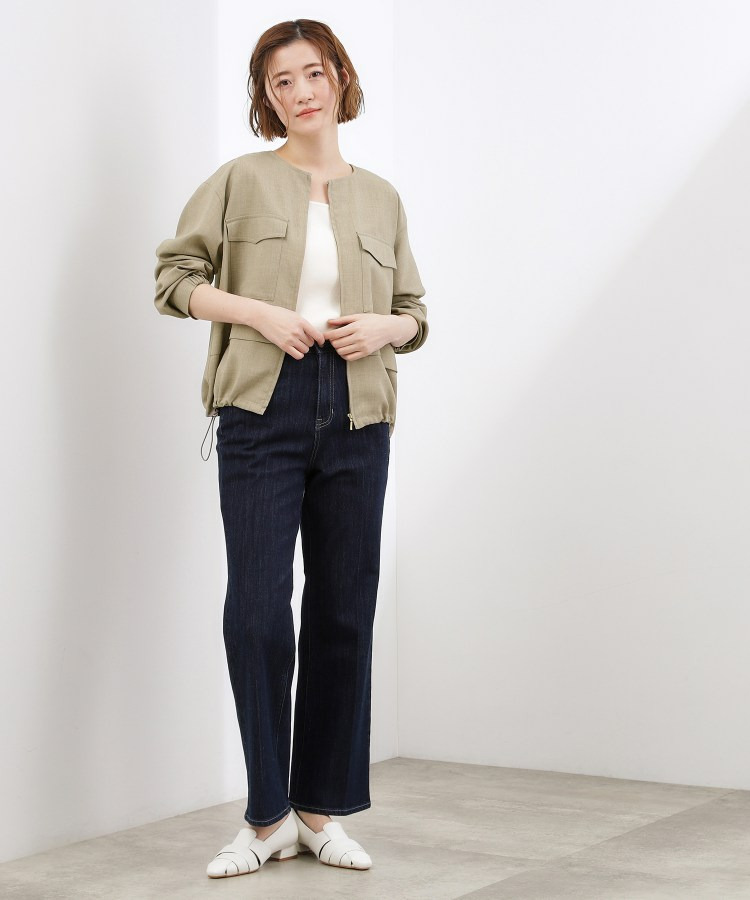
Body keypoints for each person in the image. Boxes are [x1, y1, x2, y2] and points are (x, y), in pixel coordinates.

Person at [154, 18, 428, 880]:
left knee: (344, 609)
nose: (301, 92)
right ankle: (266, 815)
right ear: (266, 98)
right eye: (281, 81)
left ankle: (318, 810)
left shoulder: (380, 197)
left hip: (358, 412)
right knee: (258, 610)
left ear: (340, 76)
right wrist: (259, 314)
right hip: (260, 408)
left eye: (314, 73)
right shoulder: (240, 180)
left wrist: (384, 327)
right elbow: (174, 281)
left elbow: (415, 313)